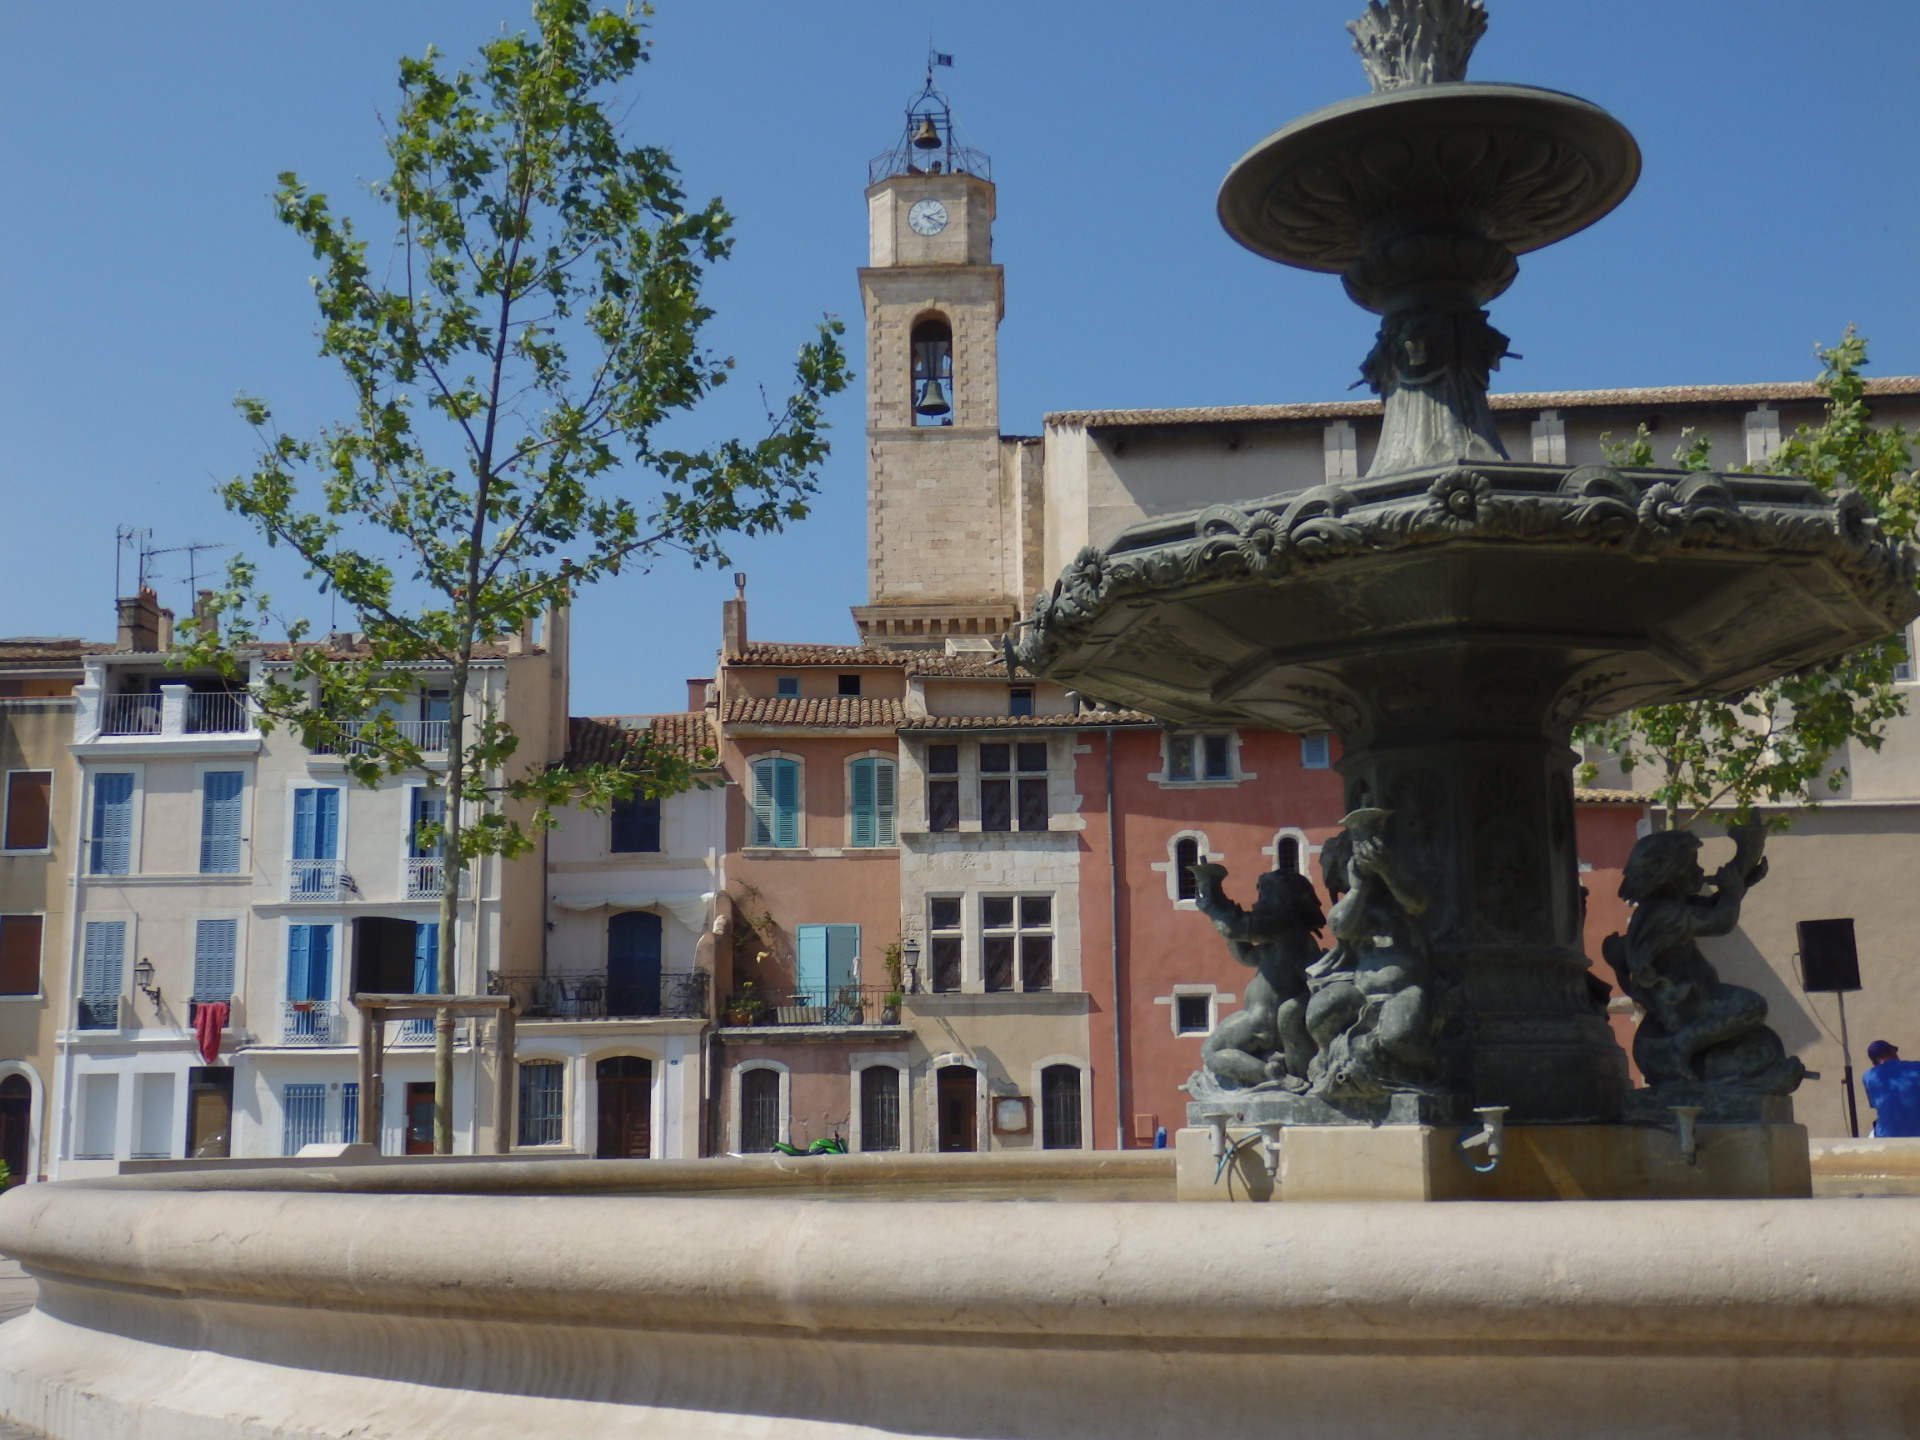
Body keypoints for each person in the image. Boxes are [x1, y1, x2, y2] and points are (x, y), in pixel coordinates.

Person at [1862, 1040, 1920, 1138]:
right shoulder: (1917, 1067)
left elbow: (1875, 1104)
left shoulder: (1868, 1076)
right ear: (1892, 1052)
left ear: (1874, 1061)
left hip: (1887, 1136)